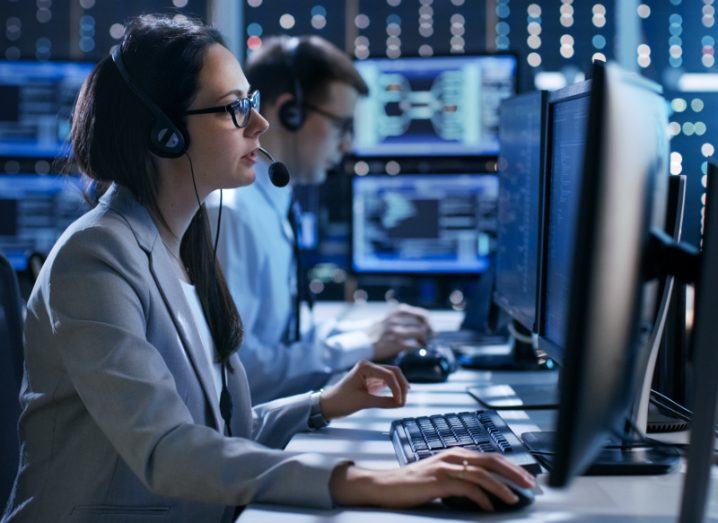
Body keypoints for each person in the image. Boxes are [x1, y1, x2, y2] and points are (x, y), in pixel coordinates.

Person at [2, 15, 534, 522]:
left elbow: (219, 427)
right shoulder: (95, 256)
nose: (259, 123)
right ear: (165, 132)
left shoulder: (185, 245)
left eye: (251, 102)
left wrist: (322, 404)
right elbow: (167, 448)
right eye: (235, 108)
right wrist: (372, 481)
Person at [207, 35, 433, 404]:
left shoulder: (273, 205)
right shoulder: (230, 215)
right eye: (342, 126)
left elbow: (283, 336)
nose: (347, 146)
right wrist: (363, 344)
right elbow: (240, 373)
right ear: (290, 112)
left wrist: (370, 334)